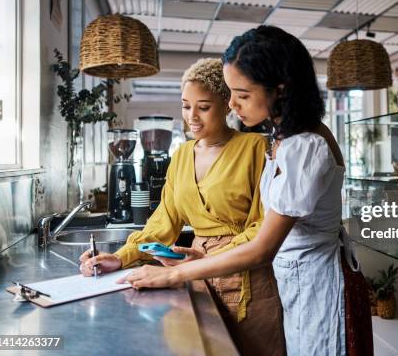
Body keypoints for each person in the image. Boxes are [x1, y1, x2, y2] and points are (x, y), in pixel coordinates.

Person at [116, 26, 349, 355]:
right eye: (230, 94)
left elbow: (260, 250)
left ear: (279, 89)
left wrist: (174, 275)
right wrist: (199, 255)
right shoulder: (286, 138)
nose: (234, 106)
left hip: (315, 290)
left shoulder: (306, 145)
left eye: (242, 95)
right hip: (293, 284)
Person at [80, 58, 285, 356]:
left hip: (248, 281)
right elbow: (163, 223)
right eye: (186, 106)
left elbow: (261, 226)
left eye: (203, 107)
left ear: (227, 104)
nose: (192, 117)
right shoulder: (182, 155)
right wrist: (121, 257)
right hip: (196, 279)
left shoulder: (255, 148)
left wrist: (208, 258)